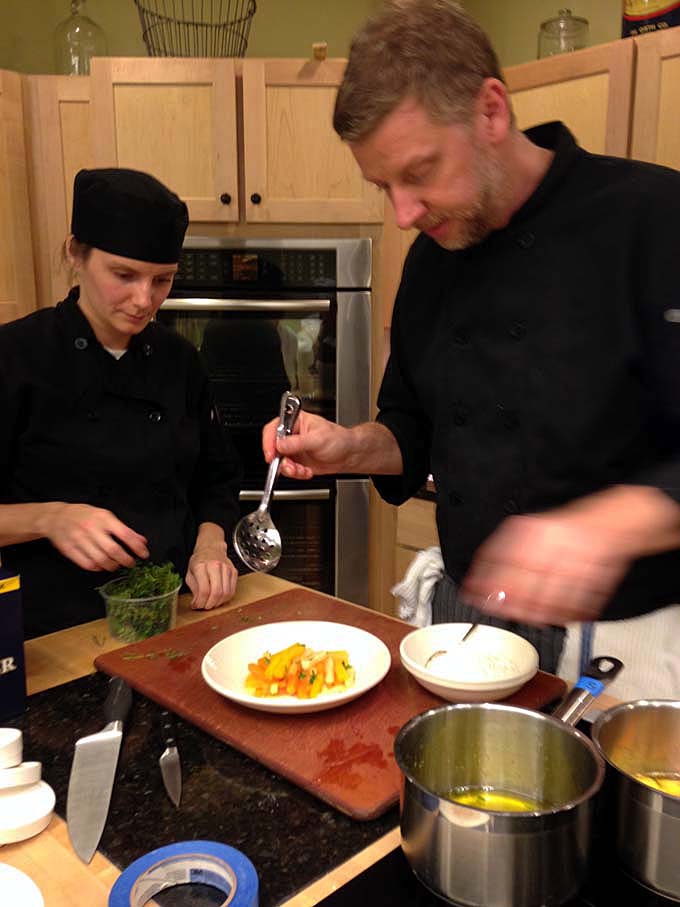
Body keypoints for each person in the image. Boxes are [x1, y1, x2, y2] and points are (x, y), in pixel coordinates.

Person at [262, 0, 680, 674]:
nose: (402, 214)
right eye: (382, 186)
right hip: (468, 620)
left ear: (491, 110)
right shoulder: (434, 253)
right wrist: (348, 446)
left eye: (419, 172)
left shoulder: (654, 219)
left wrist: (610, 524)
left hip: (627, 641)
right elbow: (412, 431)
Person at [0, 167, 242, 639]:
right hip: (55, 636)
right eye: (124, 275)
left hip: (174, 617)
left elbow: (217, 481)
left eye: (163, 280)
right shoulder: (14, 358)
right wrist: (50, 518)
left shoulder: (180, 362)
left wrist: (211, 546)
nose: (143, 300)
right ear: (76, 253)